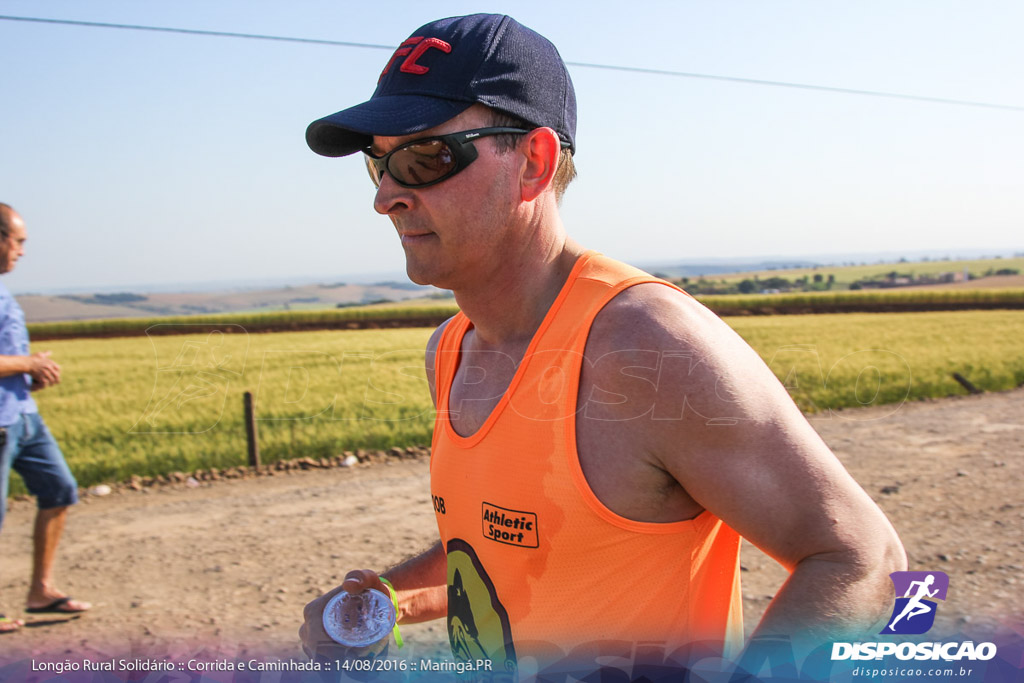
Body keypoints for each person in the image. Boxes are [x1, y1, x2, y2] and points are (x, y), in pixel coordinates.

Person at [299, 14, 905, 676]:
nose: (387, 195)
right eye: (379, 163)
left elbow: (862, 557)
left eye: (423, 157)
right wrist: (385, 600)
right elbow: (519, 548)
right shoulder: (450, 350)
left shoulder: (644, 345)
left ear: (532, 162)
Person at [0, 203, 91, 634]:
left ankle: (41, 590)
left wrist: (30, 376)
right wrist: (28, 363)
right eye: (18, 241)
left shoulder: (4, 290)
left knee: (60, 489)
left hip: (22, 415)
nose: (21, 251)